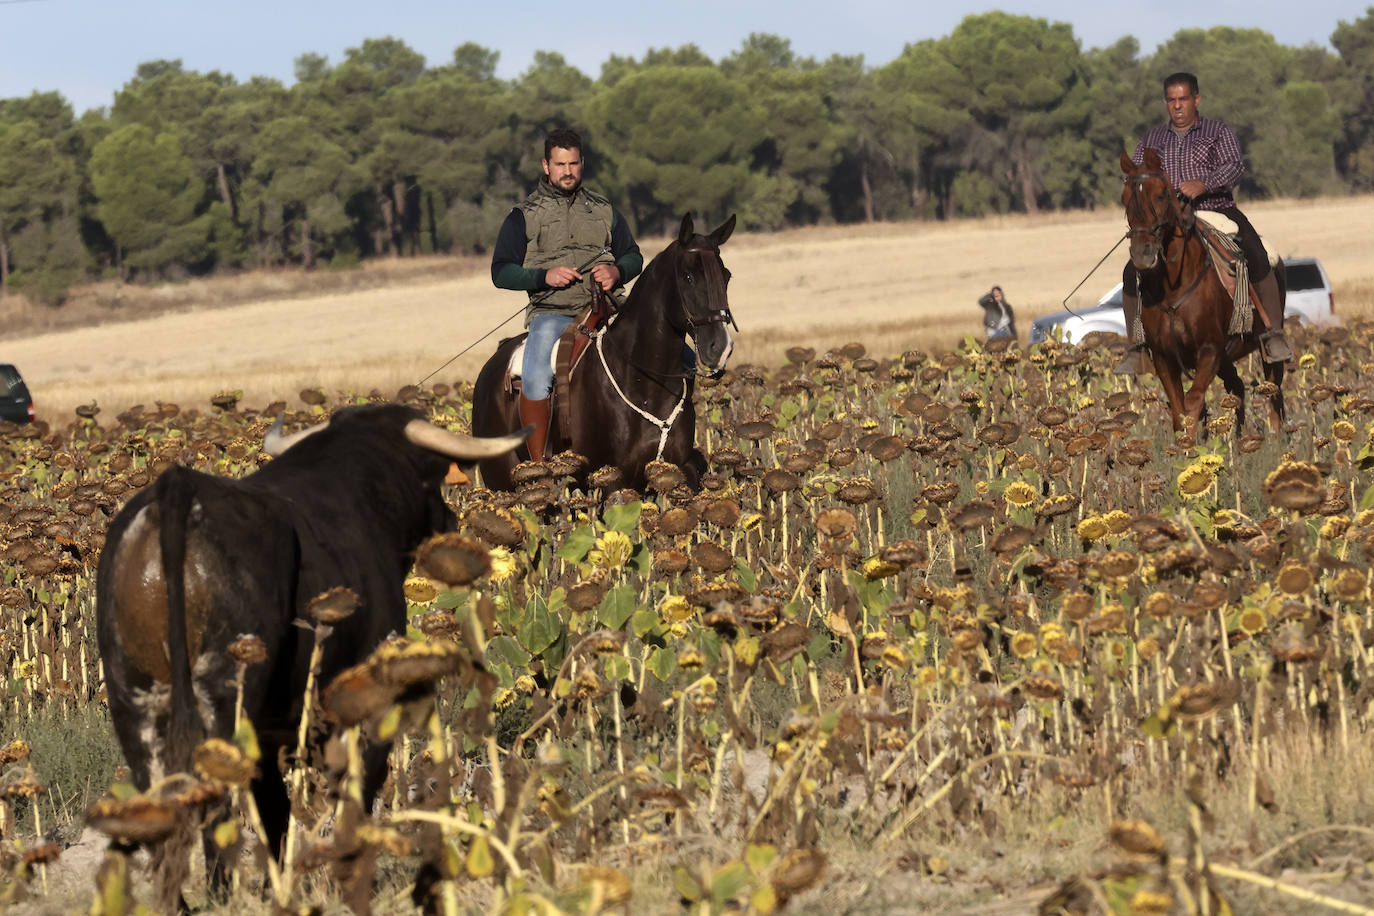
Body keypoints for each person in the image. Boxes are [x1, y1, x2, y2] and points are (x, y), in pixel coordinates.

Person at [1114, 72, 1292, 375]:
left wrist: (1204, 184)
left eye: (1183, 99)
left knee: (1257, 252)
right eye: (1171, 100)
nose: (1177, 106)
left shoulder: (1217, 131)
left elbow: (1235, 167)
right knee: (1132, 270)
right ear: (1165, 102)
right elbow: (1136, 176)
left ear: (1196, 99)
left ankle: (1272, 334)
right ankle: (1137, 347)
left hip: (1216, 209)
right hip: (1167, 221)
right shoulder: (1151, 140)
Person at [491, 128, 643, 461]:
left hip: (610, 310)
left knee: (680, 357)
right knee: (535, 375)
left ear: (582, 163)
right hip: (553, 316)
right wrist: (543, 276)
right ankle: (539, 463)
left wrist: (617, 271)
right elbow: (500, 272)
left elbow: (633, 255)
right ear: (546, 166)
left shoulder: (605, 210)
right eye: (560, 164)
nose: (568, 171)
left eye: (573, 163)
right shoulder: (523, 217)